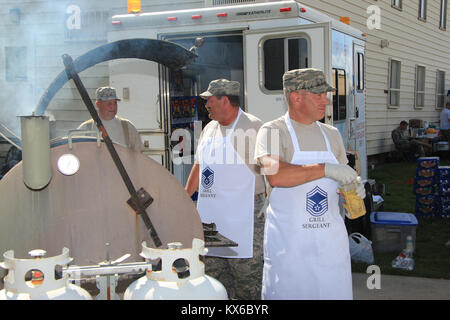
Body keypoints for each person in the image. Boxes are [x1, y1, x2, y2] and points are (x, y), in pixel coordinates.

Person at [254, 68, 366, 300]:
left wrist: (352, 187)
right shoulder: (273, 131)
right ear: (296, 97)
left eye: (325, 94)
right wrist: (325, 169)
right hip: (290, 250)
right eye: (318, 95)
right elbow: (277, 176)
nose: (325, 100)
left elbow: (342, 178)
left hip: (329, 247)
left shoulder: (332, 134)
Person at [185, 79, 266, 300]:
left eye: (210, 100)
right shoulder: (209, 128)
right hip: (213, 217)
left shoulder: (254, 127)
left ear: (225, 100)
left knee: (246, 277)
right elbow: (199, 165)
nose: (206, 105)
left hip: (246, 215)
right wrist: (184, 198)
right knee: (214, 277)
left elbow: (271, 170)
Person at [78, 86, 143, 152]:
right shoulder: (85, 129)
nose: (113, 107)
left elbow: (139, 155)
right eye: (109, 103)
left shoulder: (128, 127)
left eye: (115, 103)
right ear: (98, 104)